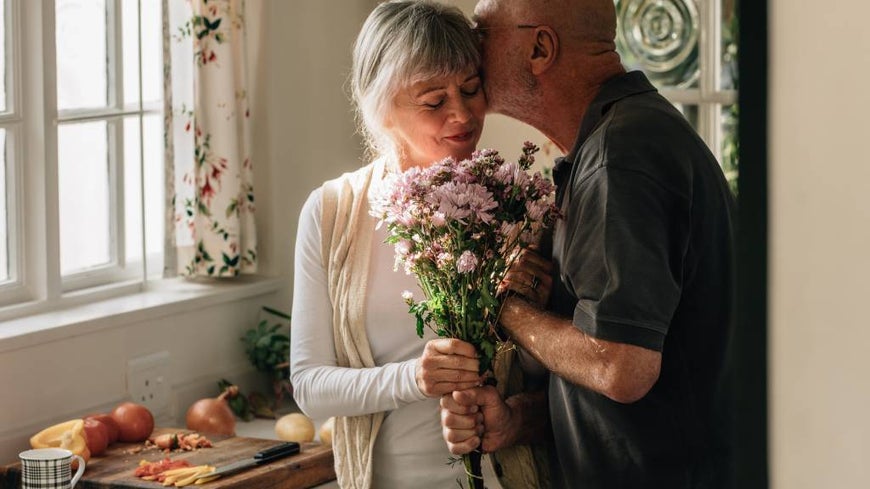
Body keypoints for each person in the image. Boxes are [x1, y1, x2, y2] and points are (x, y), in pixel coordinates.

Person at [440, 0, 737, 488]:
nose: (472, 47)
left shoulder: (620, 157)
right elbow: (642, 384)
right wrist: (518, 420)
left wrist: (507, 309)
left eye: (483, 31)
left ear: (540, 47)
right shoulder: (619, 140)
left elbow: (622, 368)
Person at [289, 2, 518, 488]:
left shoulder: (516, 208)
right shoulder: (333, 213)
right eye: (434, 100)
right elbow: (310, 387)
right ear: (381, 107)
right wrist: (415, 379)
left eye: (472, 89)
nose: (462, 113)